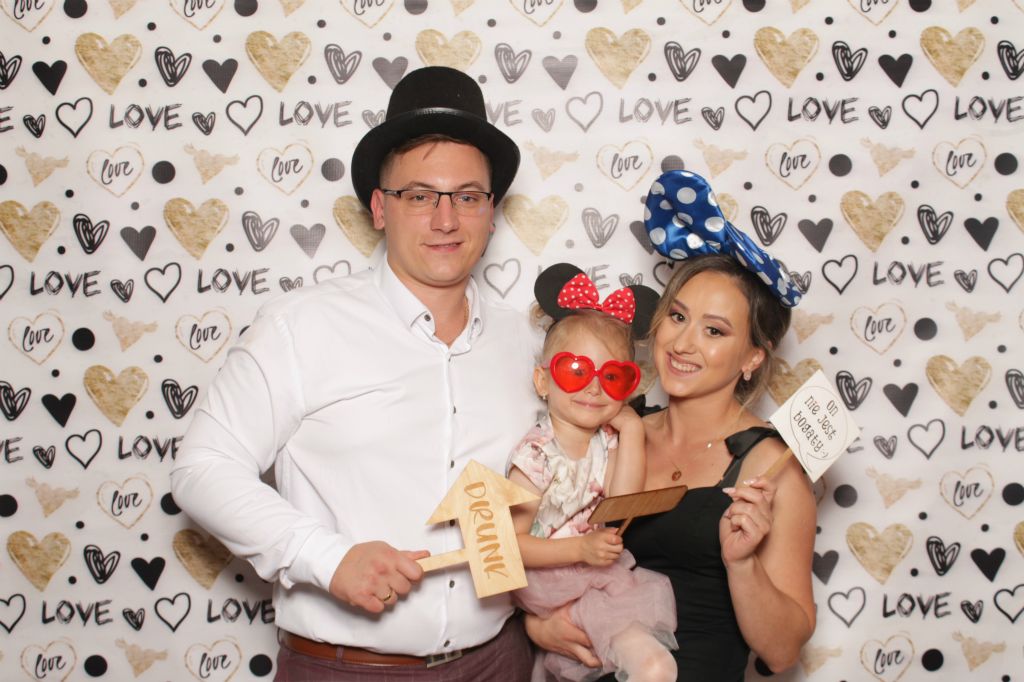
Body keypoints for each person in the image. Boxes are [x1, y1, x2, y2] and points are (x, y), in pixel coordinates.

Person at [170, 66, 539, 681]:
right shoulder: (299, 327)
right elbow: (202, 468)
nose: (446, 220)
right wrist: (328, 557)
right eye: (419, 196)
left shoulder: (526, 342)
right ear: (378, 207)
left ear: (491, 212)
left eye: (468, 196)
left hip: (501, 661)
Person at [526, 170, 816, 680]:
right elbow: (543, 537)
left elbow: (782, 652)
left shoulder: (770, 468)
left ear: (752, 357)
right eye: (678, 317)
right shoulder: (613, 427)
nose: (682, 344)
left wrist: (743, 564)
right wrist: (538, 626)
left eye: (714, 331)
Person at [507, 264, 676, 682]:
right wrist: (579, 549)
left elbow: (622, 504)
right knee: (654, 667)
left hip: (597, 573)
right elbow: (511, 546)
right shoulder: (536, 454)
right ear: (543, 381)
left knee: (650, 665)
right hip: (549, 577)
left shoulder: (608, 441)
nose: (594, 388)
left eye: (613, 378)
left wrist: (632, 429)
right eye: (576, 371)